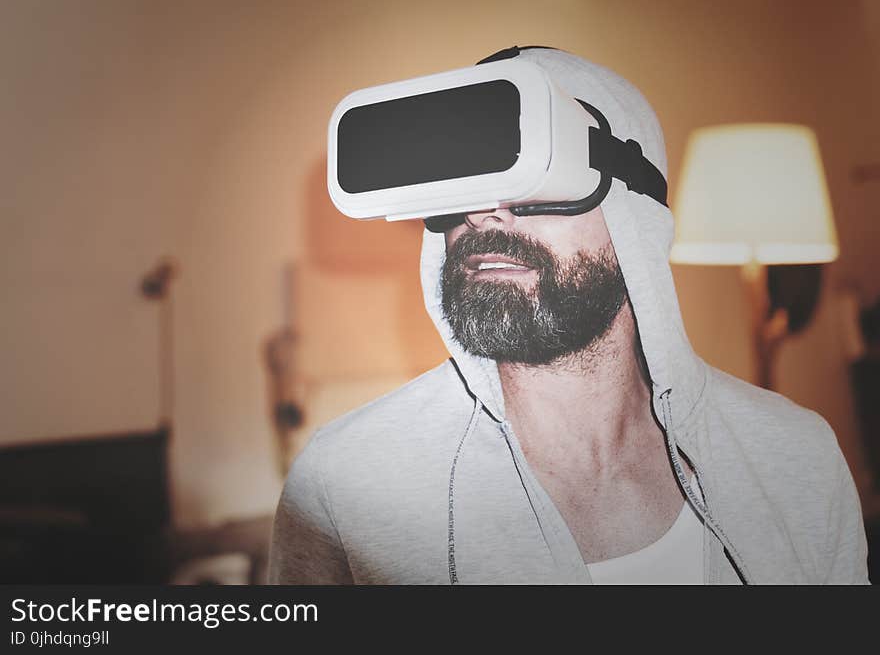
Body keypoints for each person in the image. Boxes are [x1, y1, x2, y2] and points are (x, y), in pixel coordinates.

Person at [268, 46, 869, 584]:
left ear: (635, 216)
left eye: (539, 174)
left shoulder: (799, 457)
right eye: (465, 180)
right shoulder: (343, 486)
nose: (485, 215)